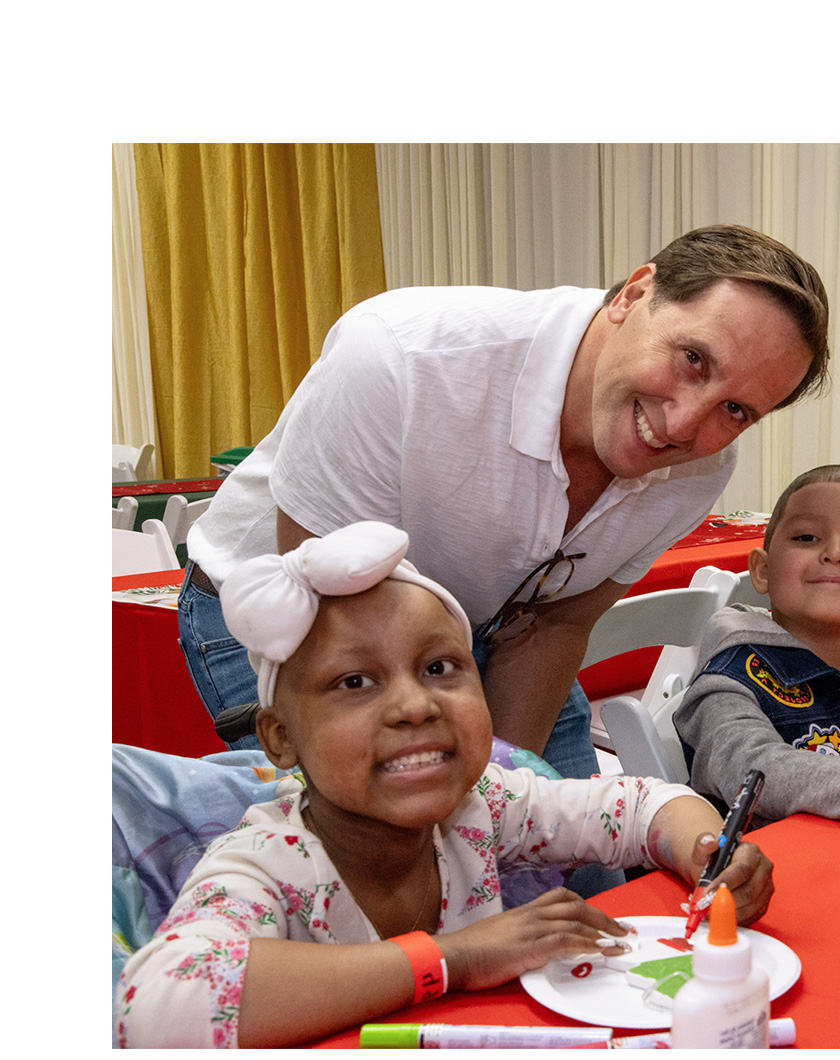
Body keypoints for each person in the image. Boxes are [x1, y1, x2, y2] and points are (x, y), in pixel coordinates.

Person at [179, 224, 829, 788]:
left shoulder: (700, 467)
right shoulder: (402, 356)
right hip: (295, 616)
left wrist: (504, 791)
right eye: (692, 359)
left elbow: (557, 622)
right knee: (369, 869)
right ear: (634, 294)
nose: (687, 424)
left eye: (737, 409)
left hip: (493, 624)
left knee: (560, 861)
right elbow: (335, 625)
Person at [118, 523, 774, 1048]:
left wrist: (705, 847)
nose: (415, 706)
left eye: (440, 667)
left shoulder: (482, 806)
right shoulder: (265, 865)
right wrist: (453, 958)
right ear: (280, 739)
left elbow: (637, 803)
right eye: (355, 682)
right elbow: (158, 1011)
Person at [675, 465, 840, 828]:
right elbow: (751, 769)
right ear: (762, 570)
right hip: (763, 871)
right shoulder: (730, 679)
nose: (834, 552)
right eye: (808, 537)